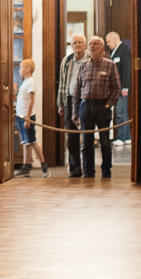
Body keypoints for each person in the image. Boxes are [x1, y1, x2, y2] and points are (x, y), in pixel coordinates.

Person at [75, 35, 122, 178]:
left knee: (105, 142)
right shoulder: (83, 65)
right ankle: (88, 172)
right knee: (86, 143)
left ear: (102, 48)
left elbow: (117, 88)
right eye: (90, 44)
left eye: (95, 44)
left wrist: (108, 105)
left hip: (102, 107)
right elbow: (77, 90)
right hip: (86, 106)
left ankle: (106, 171)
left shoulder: (110, 64)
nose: (92, 46)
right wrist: (75, 111)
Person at [55, 33, 87, 175]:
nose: (77, 45)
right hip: (69, 100)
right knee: (72, 136)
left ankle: (88, 168)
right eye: (74, 42)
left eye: (80, 42)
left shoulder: (90, 60)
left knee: (87, 135)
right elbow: (62, 83)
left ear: (85, 45)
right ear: (71, 45)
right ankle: (74, 169)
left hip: (86, 100)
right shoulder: (66, 61)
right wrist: (60, 103)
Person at [13, 58, 48, 176]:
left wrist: (27, 118)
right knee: (25, 142)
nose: (19, 70)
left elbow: (31, 101)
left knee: (32, 141)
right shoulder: (25, 82)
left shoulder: (30, 82)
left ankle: (44, 165)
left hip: (27, 117)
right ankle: (26, 165)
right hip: (21, 116)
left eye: (21, 68)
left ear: (28, 69)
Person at [106, 31, 132, 144]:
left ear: (114, 39)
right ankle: (126, 137)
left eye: (108, 41)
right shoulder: (114, 52)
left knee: (121, 112)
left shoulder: (123, 50)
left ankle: (122, 137)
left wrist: (125, 87)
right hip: (116, 88)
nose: (107, 44)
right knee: (121, 112)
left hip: (122, 88)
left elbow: (127, 70)